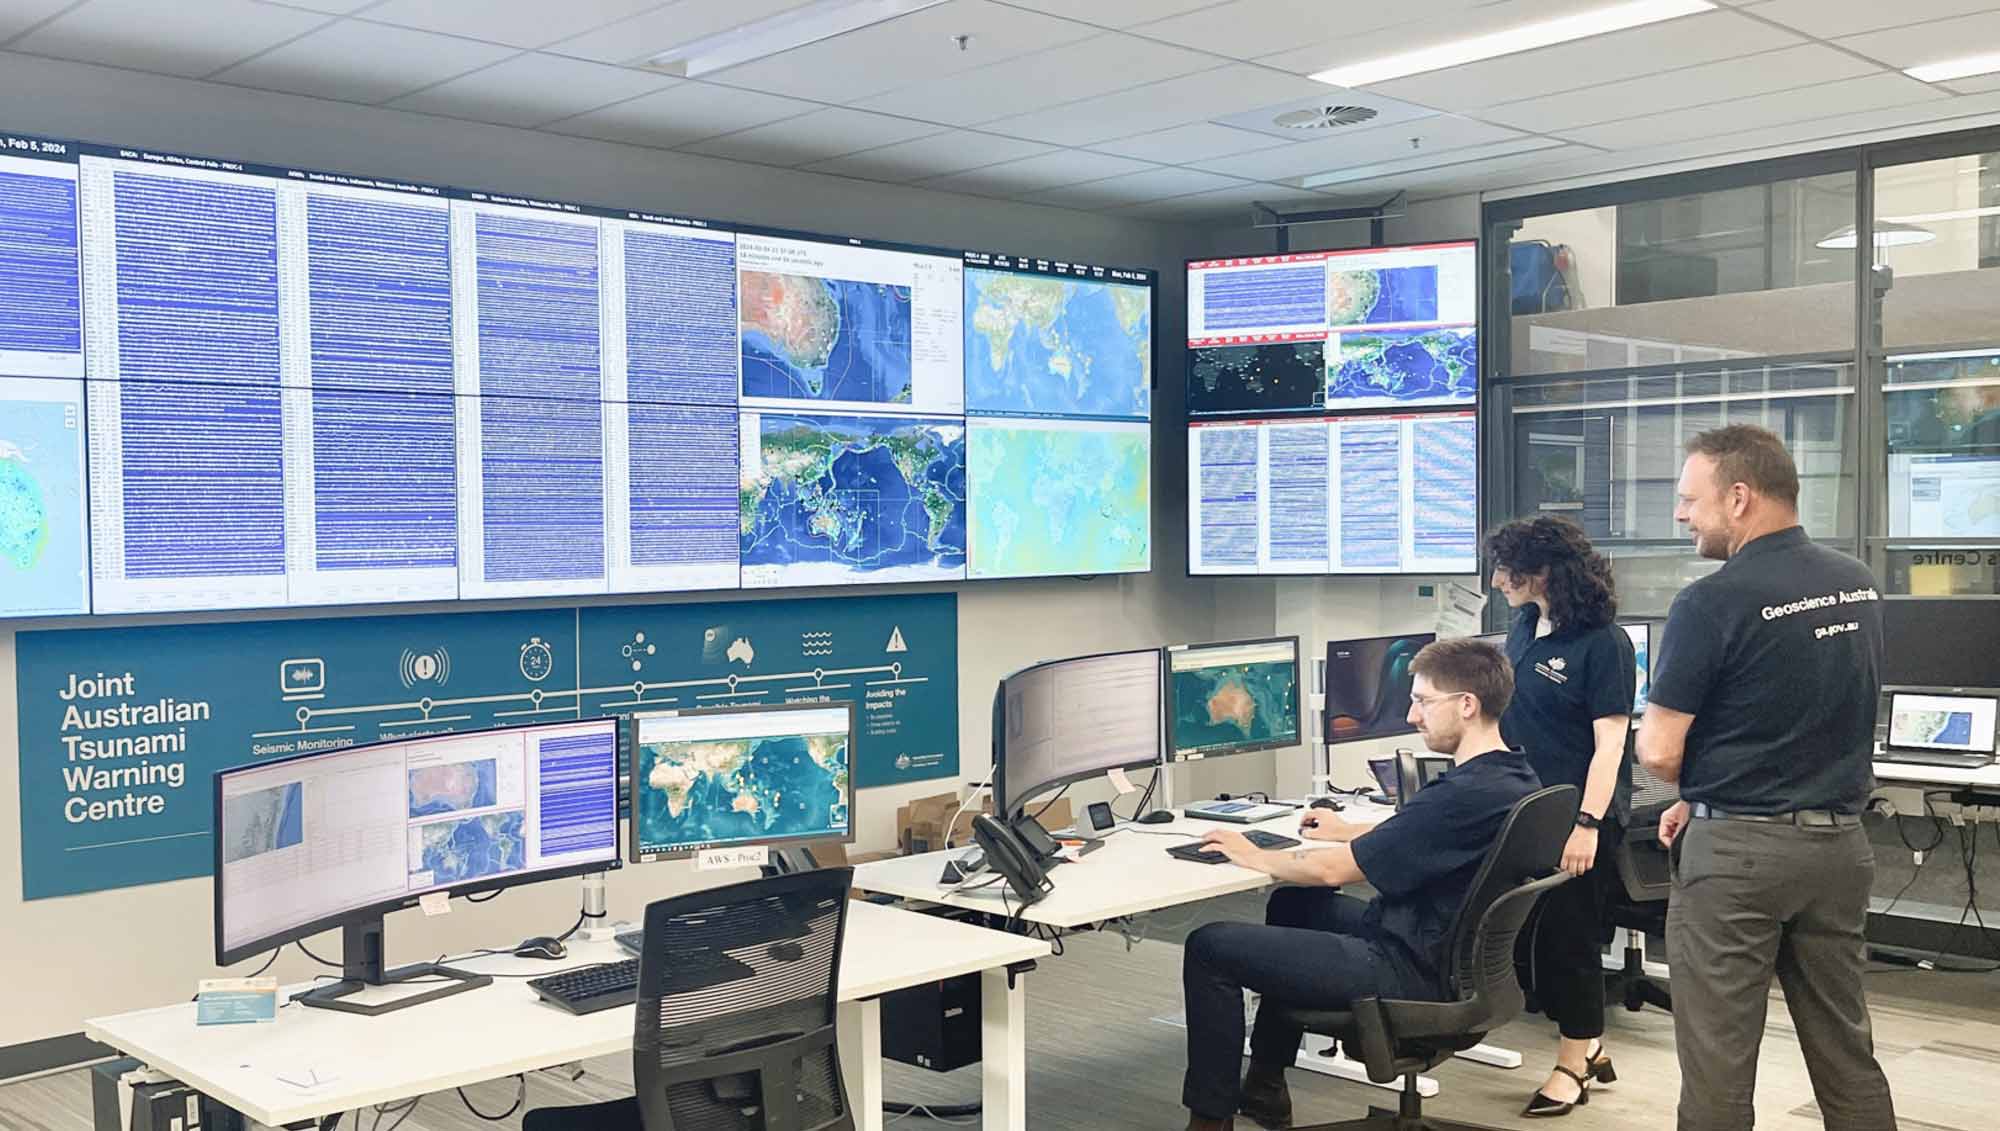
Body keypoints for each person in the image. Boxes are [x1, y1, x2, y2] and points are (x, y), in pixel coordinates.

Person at [1638, 424, 1898, 1131]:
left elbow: (1658, 749)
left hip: (1739, 861)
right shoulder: (1857, 584)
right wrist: (1706, 791)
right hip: (1840, 849)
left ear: (1740, 497)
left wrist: (1705, 786)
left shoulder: (1710, 601)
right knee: (1847, 1051)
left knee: (1719, 1064)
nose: (1681, 513)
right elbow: (1798, 710)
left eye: (1691, 498)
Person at [1176, 639, 1541, 1131]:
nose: (1413, 716)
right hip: (1450, 952)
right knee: (1294, 905)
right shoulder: (1512, 775)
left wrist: (1254, 853)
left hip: (1408, 967)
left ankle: (1209, 1123)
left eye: (1423, 701)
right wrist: (1347, 830)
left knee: (1209, 946)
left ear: (1467, 705)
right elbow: (1422, 836)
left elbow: (1334, 872)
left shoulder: (1458, 794)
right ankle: (1265, 1087)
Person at [1487, 516, 1635, 1117]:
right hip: (1525, 809)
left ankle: (1573, 1064)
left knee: (1566, 942)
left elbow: (1611, 746)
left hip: (1579, 816)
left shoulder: (1604, 644)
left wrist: (1587, 824)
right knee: (1523, 941)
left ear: (1542, 572)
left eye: (1507, 569)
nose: (1497, 581)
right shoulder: (1524, 626)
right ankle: (1590, 1042)